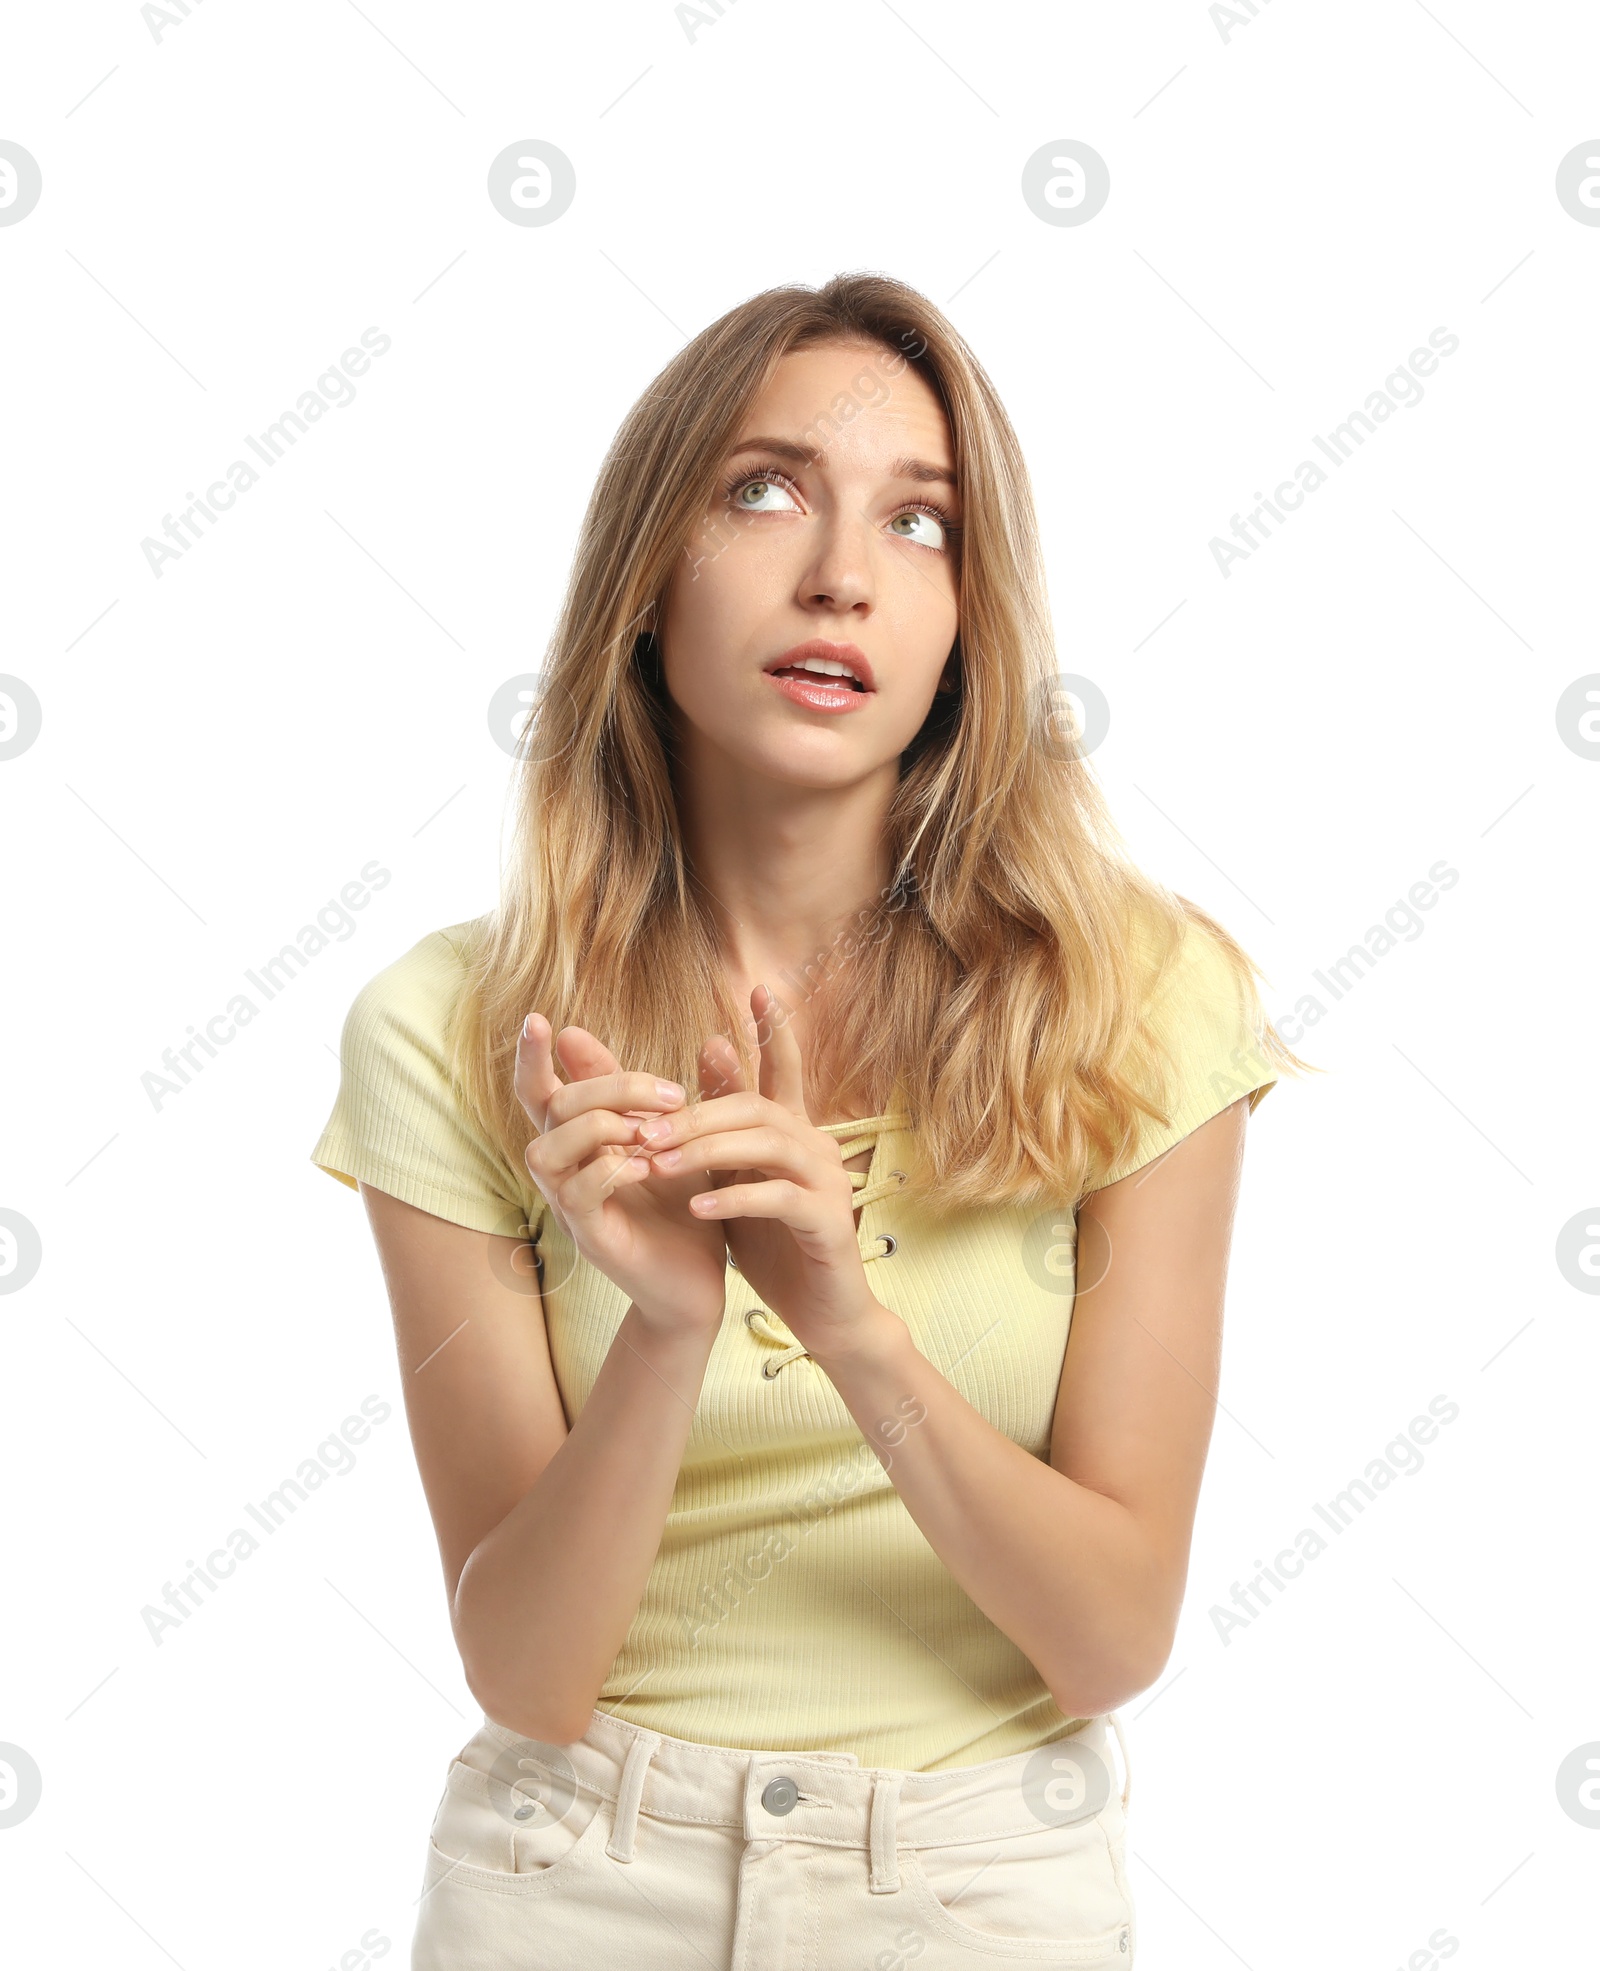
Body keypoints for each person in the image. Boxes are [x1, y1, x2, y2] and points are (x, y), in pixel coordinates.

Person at [310, 271, 1308, 1969]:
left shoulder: (1139, 999)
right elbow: (530, 1673)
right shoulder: (455, 1031)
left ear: (968, 621)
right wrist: (669, 1327)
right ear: (644, 575)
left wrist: (845, 1320)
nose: (841, 573)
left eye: (920, 523)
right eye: (760, 491)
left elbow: (1111, 1638)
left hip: (981, 1884)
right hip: (572, 1876)